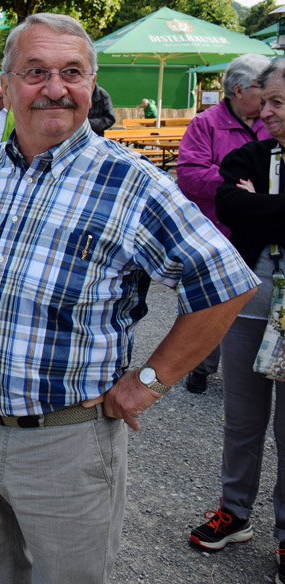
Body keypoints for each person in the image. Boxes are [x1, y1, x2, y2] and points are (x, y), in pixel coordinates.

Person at [0, 13, 259, 583]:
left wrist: (148, 383)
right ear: (7, 85)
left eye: (72, 72)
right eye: (36, 72)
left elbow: (225, 284)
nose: (55, 88)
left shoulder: (131, 182)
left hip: (68, 440)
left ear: (91, 84)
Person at [190, 57, 285, 584]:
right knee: (243, 418)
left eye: (276, 103)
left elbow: (248, 209)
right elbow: (228, 205)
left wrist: (261, 205)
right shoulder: (253, 154)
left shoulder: (255, 160)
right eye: (263, 101)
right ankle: (235, 512)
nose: (264, 113)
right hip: (248, 300)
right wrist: (272, 207)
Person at [177, 53, 272, 394]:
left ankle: (255, 366)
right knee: (211, 302)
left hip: (261, 236)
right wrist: (238, 182)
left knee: (256, 304)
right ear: (239, 90)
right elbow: (189, 175)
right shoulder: (206, 123)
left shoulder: (271, 121)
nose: (267, 98)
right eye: (262, 88)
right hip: (217, 232)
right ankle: (201, 365)